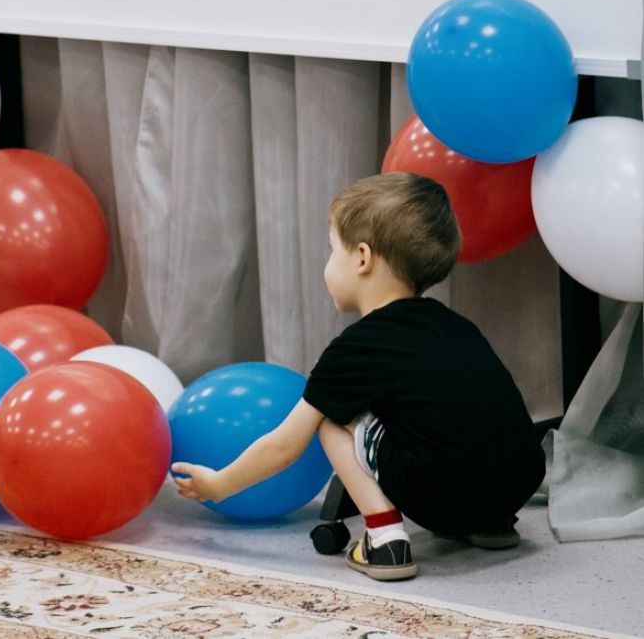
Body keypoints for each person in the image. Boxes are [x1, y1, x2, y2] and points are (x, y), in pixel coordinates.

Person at [171, 173, 546, 581]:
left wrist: (219, 485)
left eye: (333, 250)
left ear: (362, 258)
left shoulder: (355, 348)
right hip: (517, 485)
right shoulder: (455, 326)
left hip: (443, 496)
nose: (328, 264)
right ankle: (490, 525)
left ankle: (384, 539)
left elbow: (284, 446)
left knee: (331, 416)